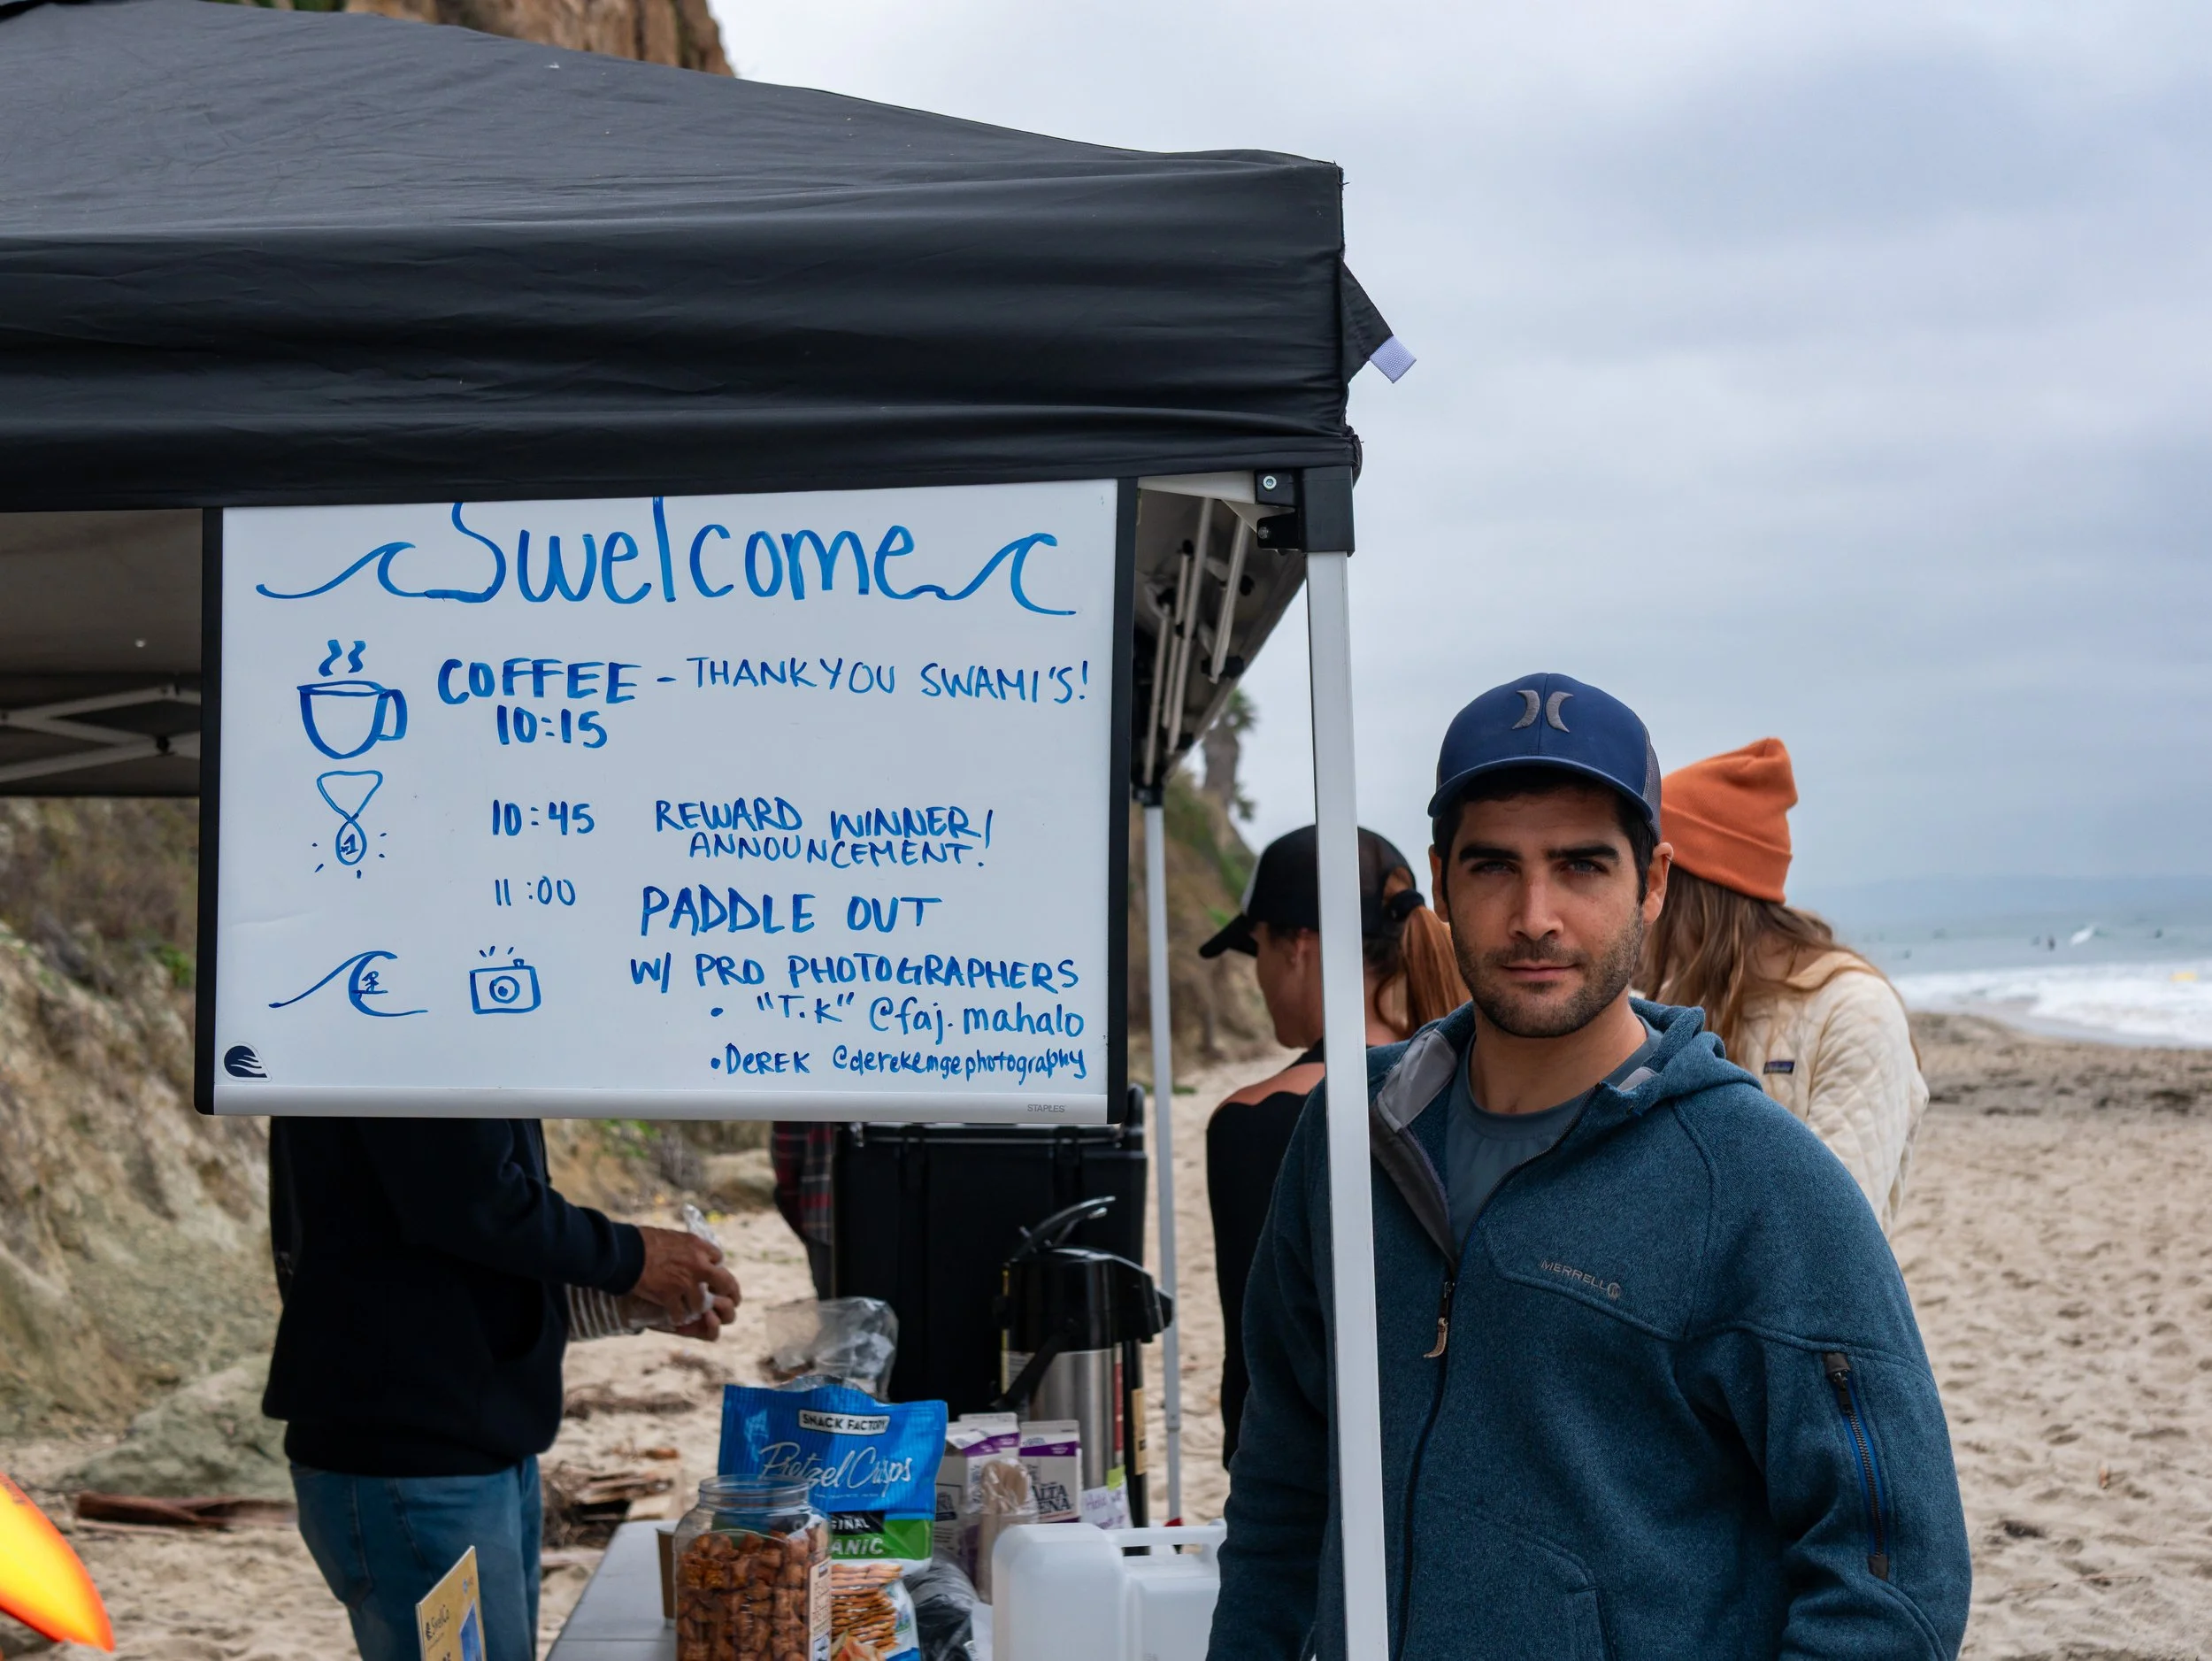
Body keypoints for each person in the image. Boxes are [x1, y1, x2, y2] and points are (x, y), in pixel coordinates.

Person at [1209, 673, 1970, 1659]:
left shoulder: (1758, 1183)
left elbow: (1892, 1574)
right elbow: (1281, 1486)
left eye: (1580, 865)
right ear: (1441, 882)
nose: (1535, 914)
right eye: (1493, 867)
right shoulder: (1348, 1137)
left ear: (1650, 880)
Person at [264, 1119, 741, 1661]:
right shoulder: (416, 1040)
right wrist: (630, 1257)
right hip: (412, 1455)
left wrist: (619, 1300)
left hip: (469, 1441)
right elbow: (471, 1198)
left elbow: (450, 1249)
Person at [1200, 825, 1465, 1463]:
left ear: (1299, 944)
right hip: (1460, 1476)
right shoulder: (1479, 1088)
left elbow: (1261, 1364)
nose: (1259, 974)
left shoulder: (1255, 1120)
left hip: (1321, 1487)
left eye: (1257, 946)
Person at [1640, 736, 1929, 1231]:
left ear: (1697, 896)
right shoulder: (1674, 1001)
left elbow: (1830, 1230)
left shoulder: (1854, 1011)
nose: (1642, 903)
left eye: (1655, 878)